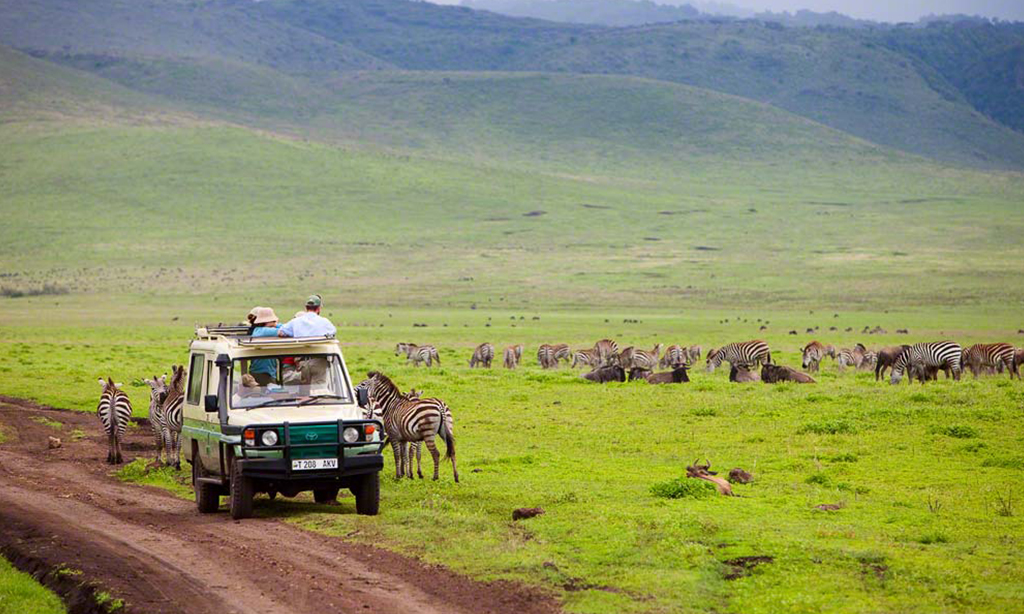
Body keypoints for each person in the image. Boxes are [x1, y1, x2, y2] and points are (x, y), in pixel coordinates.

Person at [279, 295, 336, 388]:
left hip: (302, 362)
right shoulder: (324, 322)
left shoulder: (296, 321)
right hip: (319, 360)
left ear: (306, 308)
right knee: (318, 392)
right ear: (319, 309)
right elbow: (332, 333)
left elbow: (281, 332)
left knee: (304, 390)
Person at [249, 307, 282, 385]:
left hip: (264, 372)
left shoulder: (259, 331)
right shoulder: (263, 331)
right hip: (263, 374)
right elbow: (283, 331)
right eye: (273, 321)